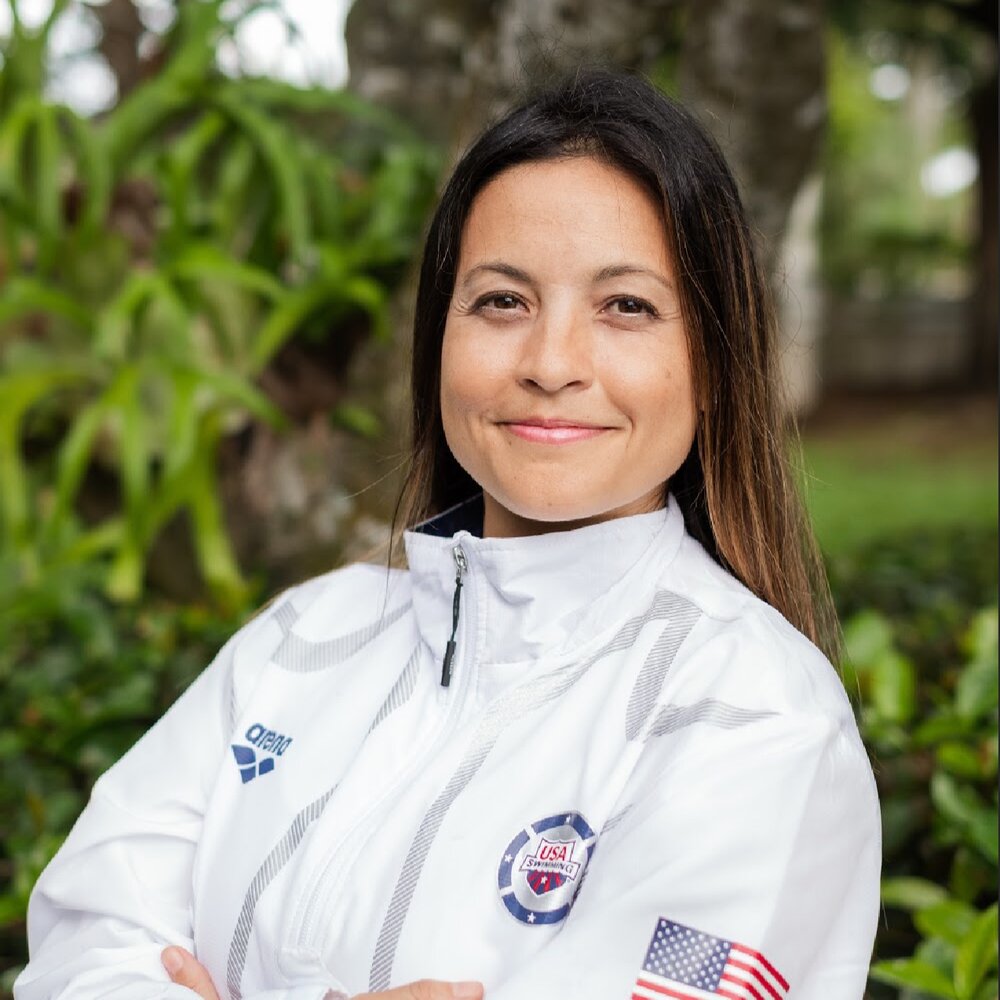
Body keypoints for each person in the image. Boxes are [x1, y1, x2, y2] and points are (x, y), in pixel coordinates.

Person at [15, 69, 881, 1000]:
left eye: (625, 306)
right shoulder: (298, 641)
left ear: (712, 364)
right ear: (440, 343)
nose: (551, 364)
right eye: (502, 301)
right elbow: (85, 939)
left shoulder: (757, 722)